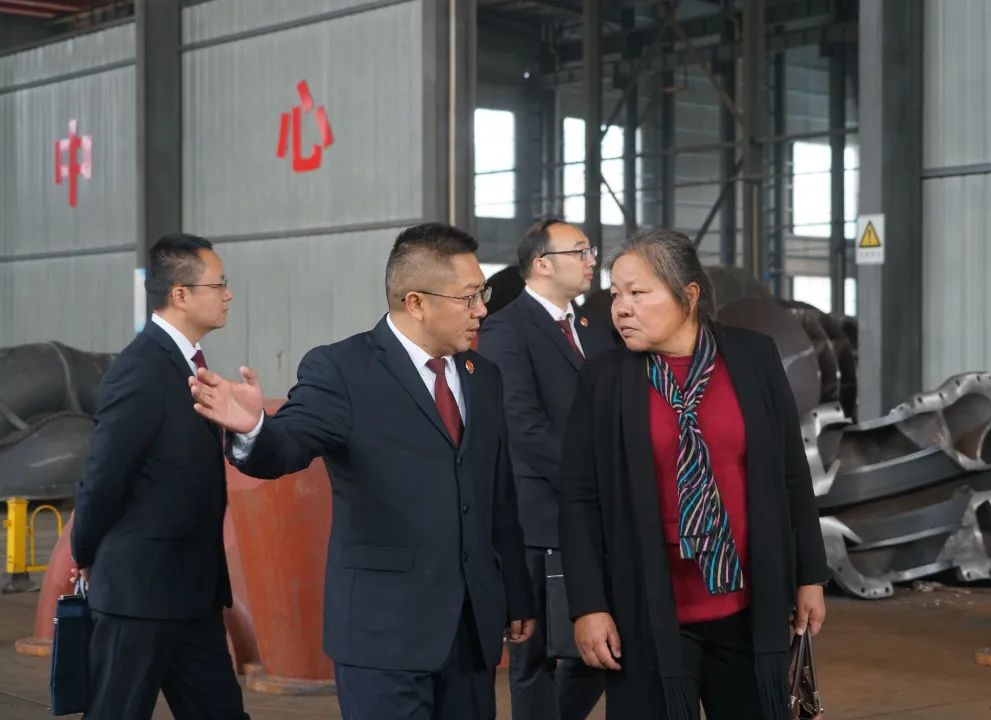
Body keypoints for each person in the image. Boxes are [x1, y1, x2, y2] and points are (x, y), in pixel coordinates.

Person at [189, 222, 535, 720]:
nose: (481, 309)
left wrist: (515, 594)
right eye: (469, 297)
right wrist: (255, 429)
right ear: (416, 302)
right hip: (383, 637)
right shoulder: (343, 370)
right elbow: (287, 446)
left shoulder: (484, 378)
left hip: (469, 633)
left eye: (481, 294)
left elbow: (498, 495)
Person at [559, 229, 829, 720]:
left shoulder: (753, 357)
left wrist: (810, 575)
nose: (621, 309)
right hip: (646, 610)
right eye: (616, 294)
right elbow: (580, 499)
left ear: (688, 295)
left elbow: (792, 473)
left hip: (748, 606)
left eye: (638, 293)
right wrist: (588, 606)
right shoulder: (606, 379)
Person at [71, 233, 248, 720]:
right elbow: (103, 476)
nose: (229, 294)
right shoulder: (142, 369)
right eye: (219, 284)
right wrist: (85, 553)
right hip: (140, 596)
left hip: (193, 593)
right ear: (180, 295)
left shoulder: (188, 364)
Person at [479, 219, 610, 720]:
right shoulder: (506, 328)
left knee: (593, 651)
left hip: (589, 516)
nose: (591, 260)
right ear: (542, 264)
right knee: (534, 658)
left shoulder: (591, 327)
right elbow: (523, 427)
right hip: (539, 520)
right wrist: (591, 483)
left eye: (590, 250)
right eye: (579, 251)